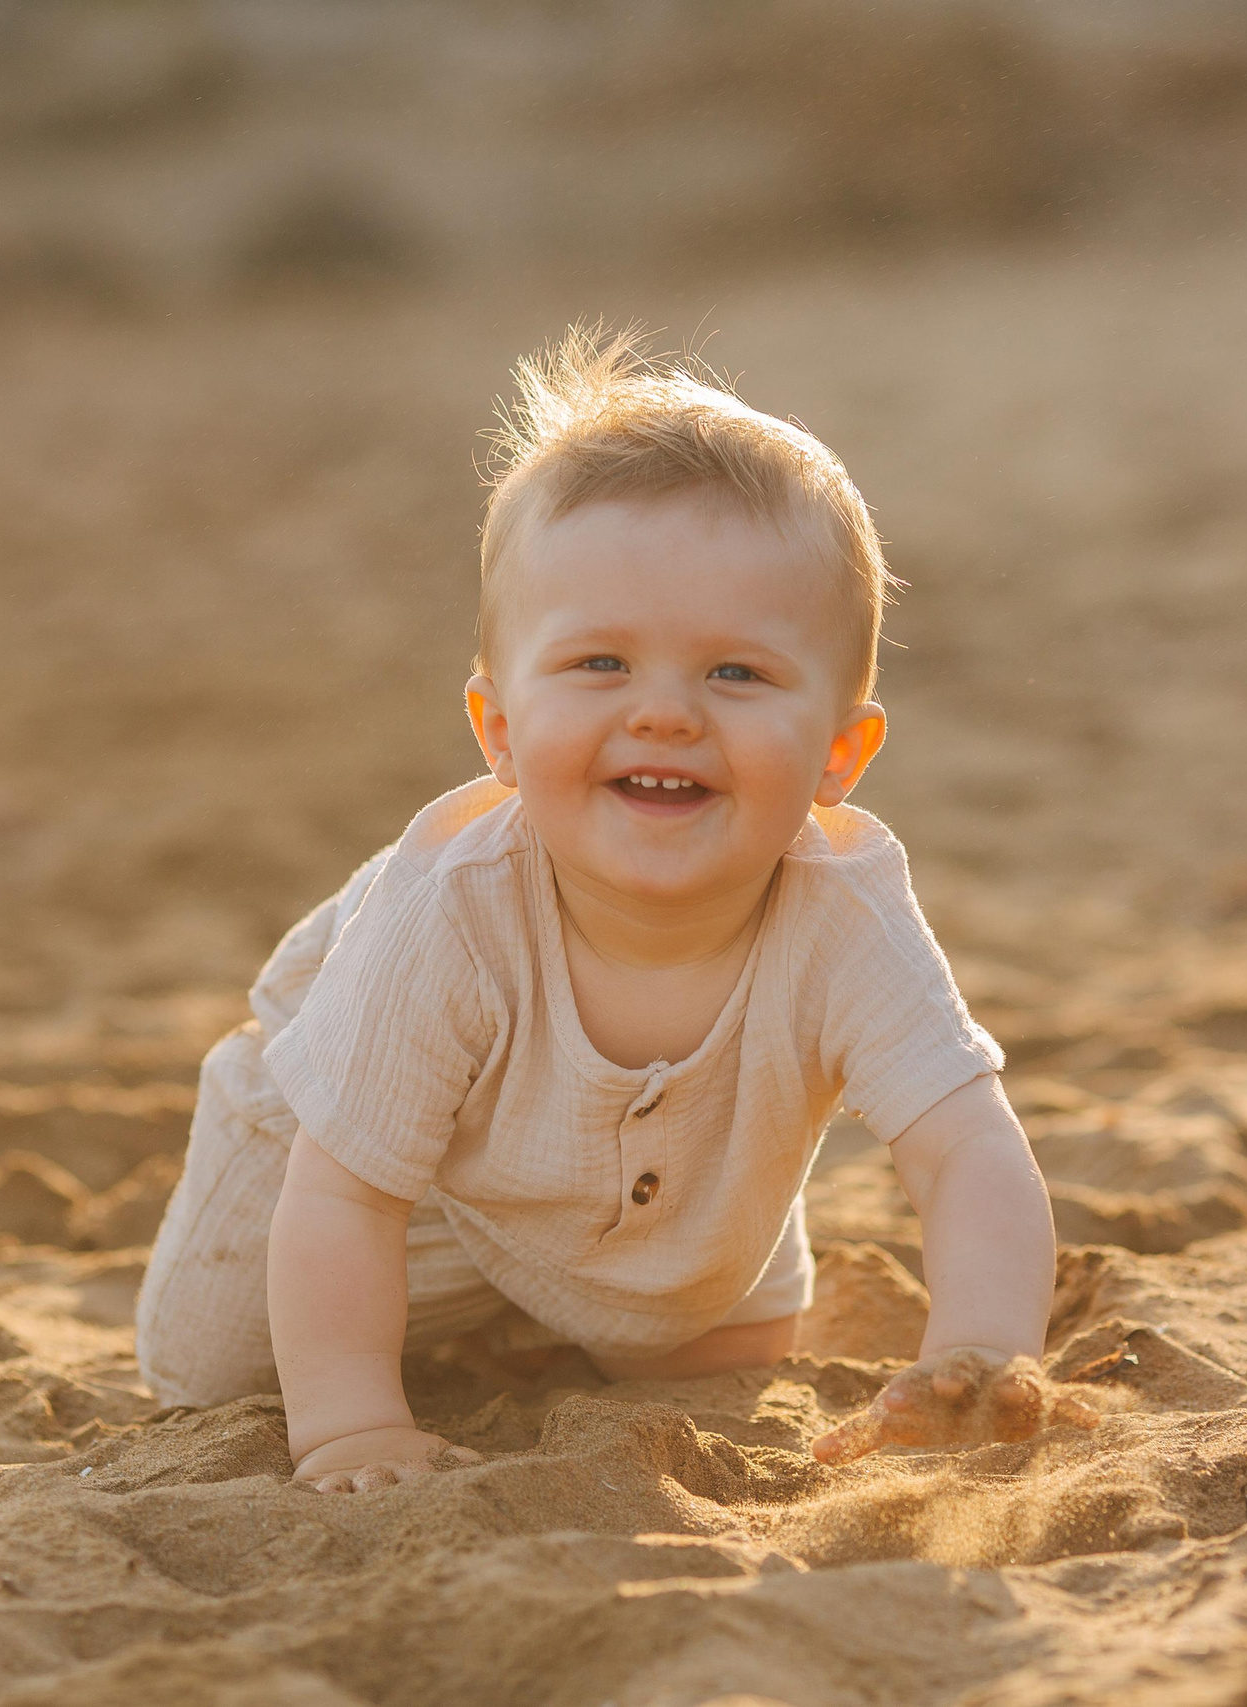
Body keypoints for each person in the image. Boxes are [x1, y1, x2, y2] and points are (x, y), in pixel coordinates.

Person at [136, 325, 1094, 1493]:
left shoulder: (845, 911)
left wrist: (981, 1351)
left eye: (735, 673)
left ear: (840, 751)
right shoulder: (453, 906)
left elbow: (967, 1153)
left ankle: (554, 1307)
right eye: (599, 665)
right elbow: (345, 1193)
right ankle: (437, 1319)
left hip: (668, 1205)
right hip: (359, 1161)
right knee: (212, 1363)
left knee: (715, 1352)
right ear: (496, 729)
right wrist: (350, 1426)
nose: (666, 715)